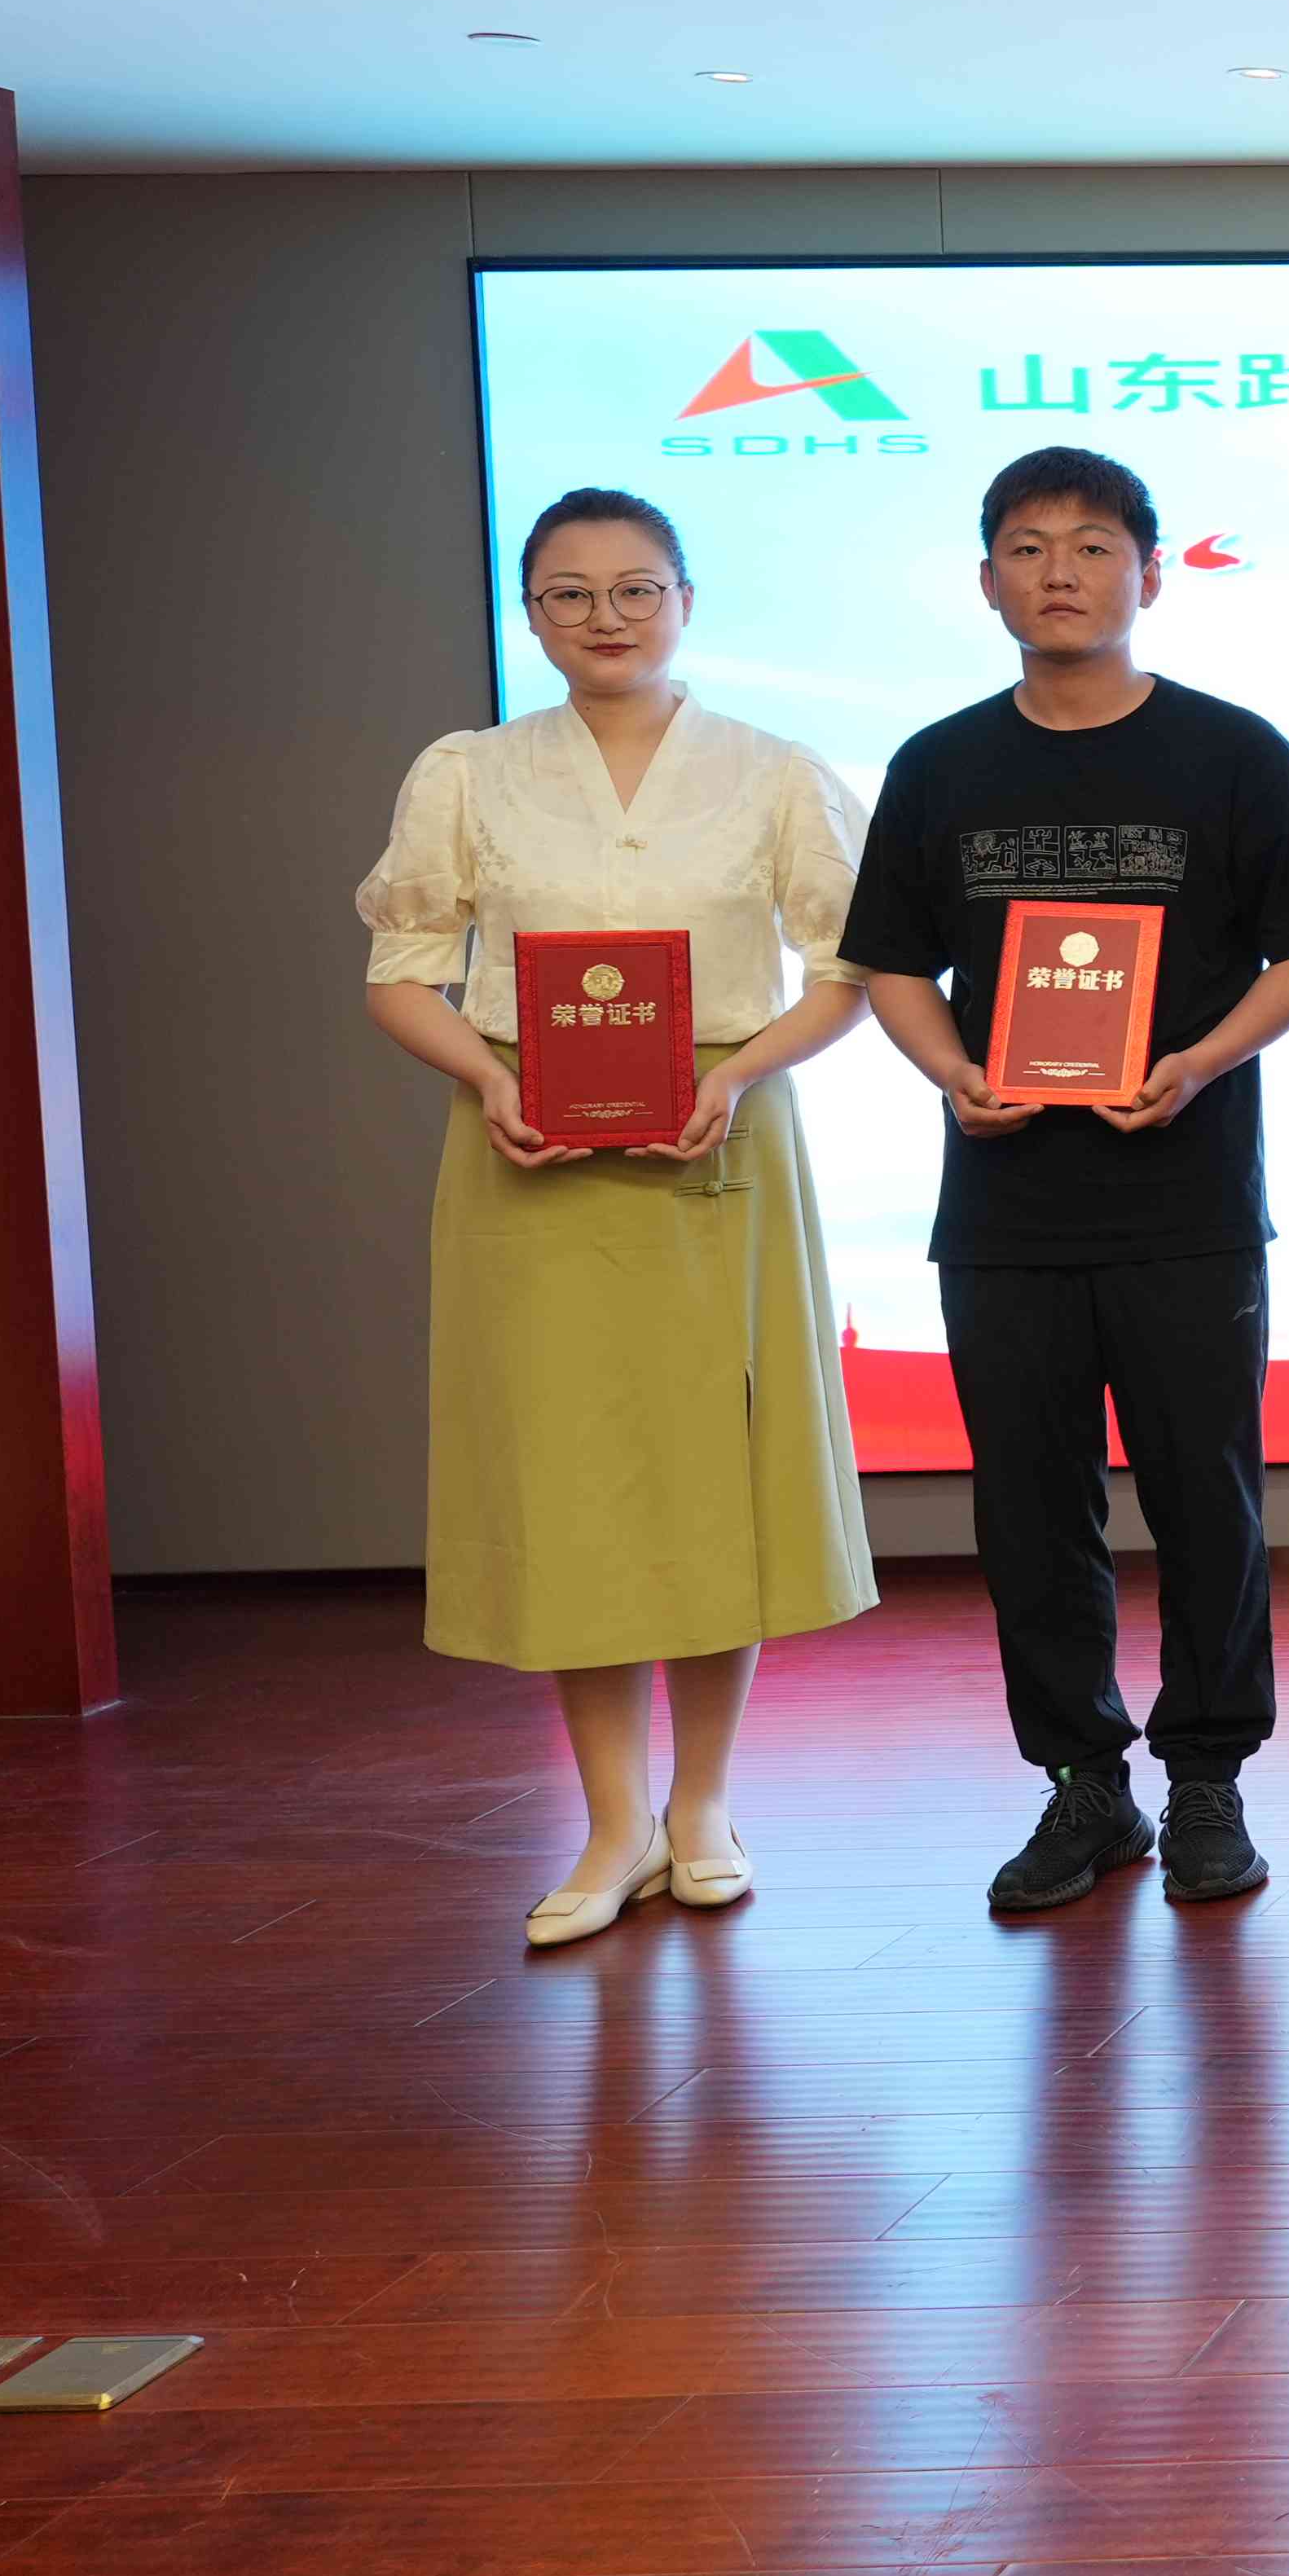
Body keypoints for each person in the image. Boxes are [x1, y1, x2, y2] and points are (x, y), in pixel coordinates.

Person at [359, 487, 878, 1945]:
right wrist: (486, 1076)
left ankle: (703, 1805)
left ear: (686, 601)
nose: (607, 616)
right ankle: (609, 1821)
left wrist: (739, 1072)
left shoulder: (774, 771)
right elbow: (402, 971)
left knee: (715, 1462)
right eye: (571, 593)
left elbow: (849, 971)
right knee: (567, 1474)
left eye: (637, 588)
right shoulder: (469, 770)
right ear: (530, 613)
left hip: (719, 1133)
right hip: (529, 1146)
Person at [841, 449, 1289, 1917]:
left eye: (1093, 545)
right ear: (986, 577)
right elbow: (891, 961)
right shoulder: (939, 763)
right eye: (1028, 546)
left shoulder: (1232, 751)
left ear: (1151, 573)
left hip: (1186, 1196)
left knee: (1207, 1498)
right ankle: (1081, 1782)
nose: (1059, 571)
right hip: (1005, 1211)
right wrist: (953, 1072)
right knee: (1030, 1510)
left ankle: (1208, 1779)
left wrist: (1198, 1061)